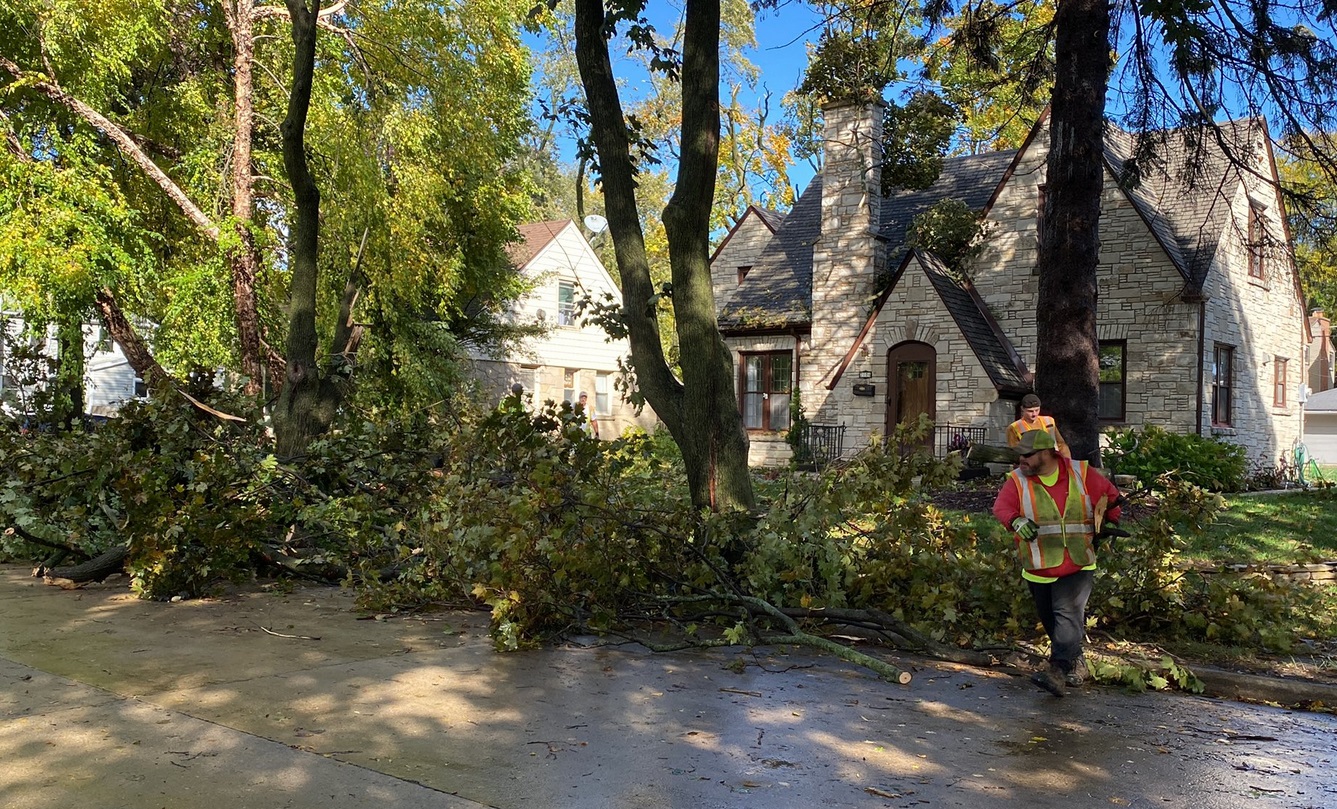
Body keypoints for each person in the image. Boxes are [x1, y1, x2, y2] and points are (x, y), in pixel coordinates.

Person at [992, 428, 1123, 697]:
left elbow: (1111, 498)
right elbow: (1002, 507)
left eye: (1028, 455)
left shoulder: (1080, 473)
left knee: (1067, 614)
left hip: (1077, 561)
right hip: (1039, 565)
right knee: (1052, 621)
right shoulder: (1017, 480)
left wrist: (1107, 523)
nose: (1022, 460)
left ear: (1046, 453)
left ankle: (1057, 672)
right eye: (1020, 455)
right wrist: (1015, 520)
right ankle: (1076, 663)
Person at [1006, 393, 1071, 459]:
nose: (1034, 414)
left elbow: (1061, 444)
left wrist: (1067, 461)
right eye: (1030, 411)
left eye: (1037, 410)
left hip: (1053, 461)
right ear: (1022, 409)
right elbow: (1015, 452)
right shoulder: (1014, 428)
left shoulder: (1049, 421)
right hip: (1032, 463)